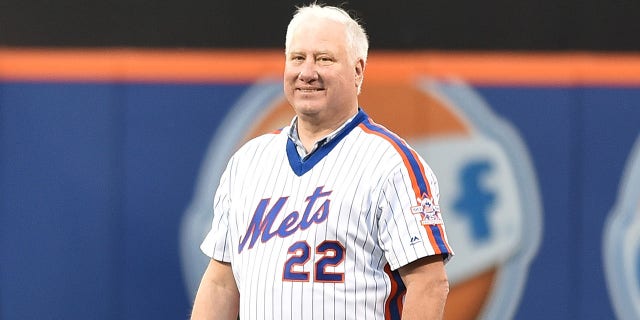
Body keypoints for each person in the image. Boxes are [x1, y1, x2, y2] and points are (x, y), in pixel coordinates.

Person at [191, 3, 453, 320]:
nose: (307, 72)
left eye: (324, 59)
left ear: (358, 70)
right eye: (298, 58)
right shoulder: (248, 162)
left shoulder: (391, 164)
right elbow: (221, 283)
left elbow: (429, 283)